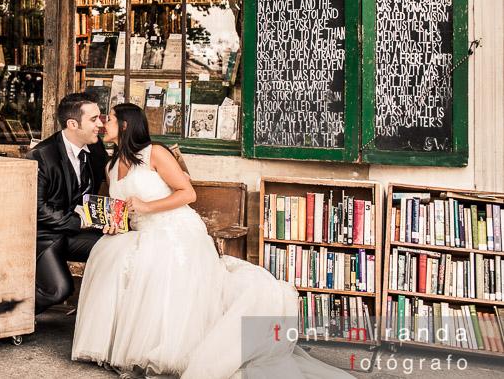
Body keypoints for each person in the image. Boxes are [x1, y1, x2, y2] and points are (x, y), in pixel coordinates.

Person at [72, 103, 350, 378]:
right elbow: (122, 208)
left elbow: (187, 193)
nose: (101, 124)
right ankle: (118, 347)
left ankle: (161, 351)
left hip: (175, 229)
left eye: (107, 119)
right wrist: (111, 223)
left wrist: (147, 207)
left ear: (124, 125)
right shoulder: (110, 166)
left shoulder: (154, 153)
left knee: (154, 262)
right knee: (112, 254)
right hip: (140, 232)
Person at [26, 92, 109, 314]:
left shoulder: (96, 148)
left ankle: (102, 317)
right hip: (45, 235)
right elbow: (36, 208)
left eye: (100, 118)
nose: (100, 125)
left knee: (115, 247)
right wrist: (78, 222)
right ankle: (8, 317)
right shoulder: (41, 155)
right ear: (73, 123)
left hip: (75, 233)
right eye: (94, 119)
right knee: (59, 290)